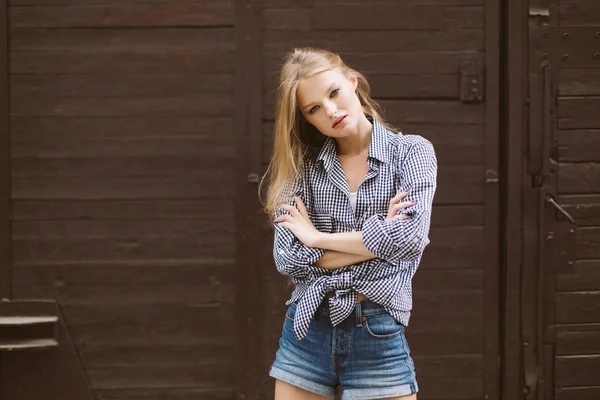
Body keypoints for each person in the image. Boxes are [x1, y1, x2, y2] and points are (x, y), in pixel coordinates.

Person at [260, 47, 437, 400]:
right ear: (306, 119)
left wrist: (314, 237)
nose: (330, 111)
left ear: (352, 82)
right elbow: (288, 258)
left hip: (377, 332)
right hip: (307, 331)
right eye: (313, 109)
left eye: (333, 92)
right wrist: (377, 243)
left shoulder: (411, 153)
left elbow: (410, 238)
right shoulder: (301, 168)